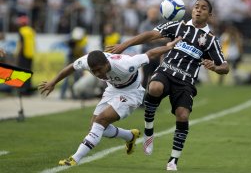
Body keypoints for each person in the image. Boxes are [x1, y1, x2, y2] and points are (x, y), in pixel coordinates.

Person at [106, 0, 229, 171]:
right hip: (167, 70)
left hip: (186, 81)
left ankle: (173, 160)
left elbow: (225, 66)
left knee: (183, 115)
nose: (198, 10)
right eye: (196, 7)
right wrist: (125, 44)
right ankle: (149, 130)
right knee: (154, 87)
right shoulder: (178, 26)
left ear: (210, 14)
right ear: (192, 10)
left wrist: (215, 67)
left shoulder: (210, 40)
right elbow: (150, 35)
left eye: (203, 8)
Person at [38, 37, 182, 166]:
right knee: (95, 128)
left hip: (132, 93)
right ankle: (130, 136)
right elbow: (71, 67)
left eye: (100, 69)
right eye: (94, 71)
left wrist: (169, 46)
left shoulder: (126, 64)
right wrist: (53, 82)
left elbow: (150, 54)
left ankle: (74, 158)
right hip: (112, 90)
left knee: (100, 121)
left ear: (107, 62)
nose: (98, 73)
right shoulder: (88, 61)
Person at [138, 6, 166, 89]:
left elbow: (167, 38)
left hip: (160, 54)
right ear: (148, 14)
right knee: (146, 77)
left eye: (155, 13)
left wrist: (153, 38)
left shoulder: (162, 23)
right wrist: (160, 38)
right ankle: (142, 95)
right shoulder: (144, 25)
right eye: (152, 13)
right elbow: (144, 39)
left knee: (158, 76)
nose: (153, 15)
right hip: (148, 54)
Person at [60, 27, 87, 99]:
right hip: (71, 58)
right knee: (66, 76)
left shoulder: (83, 41)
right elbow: (64, 41)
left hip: (78, 59)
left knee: (77, 77)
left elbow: (82, 52)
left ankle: (75, 95)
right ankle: (63, 94)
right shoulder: (71, 40)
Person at [16, 15, 36, 95]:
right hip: (31, 54)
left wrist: (18, 54)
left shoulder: (21, 31)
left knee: (22, 72)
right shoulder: (31, 30)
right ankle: (28, 90)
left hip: (23, 54)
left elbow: (22, 44)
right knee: (28, 72)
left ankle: (23, 90)